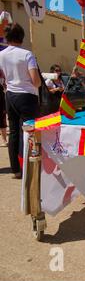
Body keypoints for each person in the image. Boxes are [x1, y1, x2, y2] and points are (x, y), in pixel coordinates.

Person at [0, 23, 41, 179]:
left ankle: (15, 169)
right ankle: (28, 167)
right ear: (22, 37)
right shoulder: (27, 54)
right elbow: (36, 81)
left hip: (10, 95)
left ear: (7, 36)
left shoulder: (1, 55)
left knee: (14, 133)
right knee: (29, 132)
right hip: (27, 96)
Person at [0, 69, 7, 146]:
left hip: (1, 98)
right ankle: (4, 140)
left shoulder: (1, 72)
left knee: (2, 119)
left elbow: (5, 84)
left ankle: (4, 140)